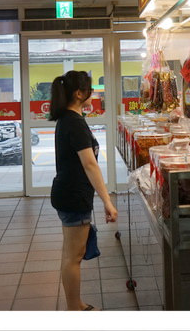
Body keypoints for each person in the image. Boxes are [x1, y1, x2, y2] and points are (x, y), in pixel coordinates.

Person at [49, 70, 118, 311]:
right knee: (73, 257)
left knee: (71, 255)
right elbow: (90, 164)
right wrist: (107, 201)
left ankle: (73, 305)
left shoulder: (69, 119)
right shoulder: (74, 122)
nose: (94, 93)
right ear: (79, 94)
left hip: (68, 193)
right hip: (73, 196)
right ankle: (74, 308)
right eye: (90, 89)